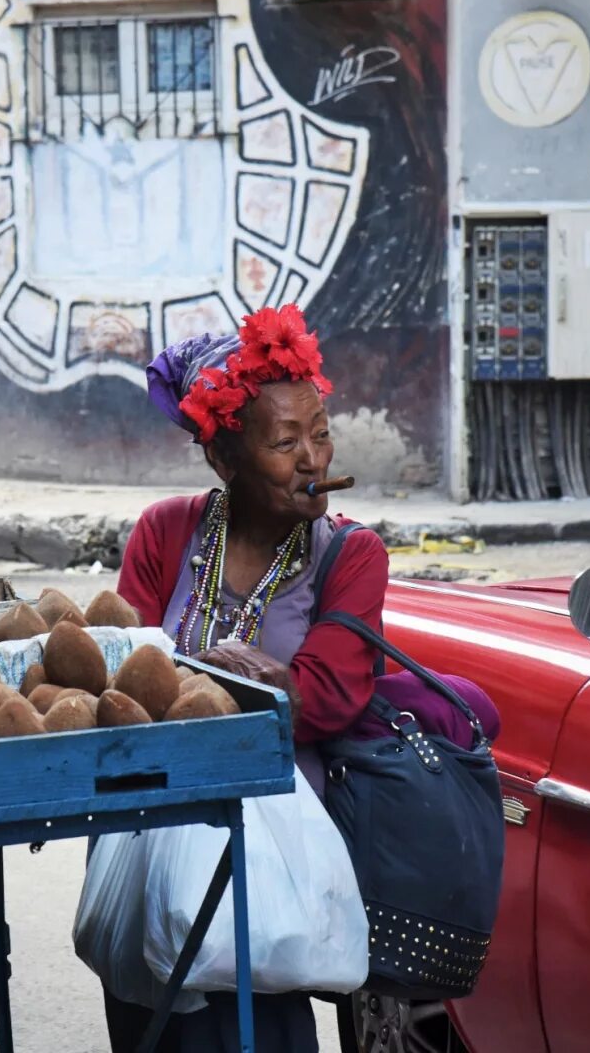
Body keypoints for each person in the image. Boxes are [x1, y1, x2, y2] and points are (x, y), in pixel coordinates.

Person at [103, 304, 388, 1052]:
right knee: (151, 1026)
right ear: (223, 460)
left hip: (273, 857)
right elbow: (120, 678)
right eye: (285, 441)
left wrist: (266, 684)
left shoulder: (351, 555)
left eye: (320, 433)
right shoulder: (165, 531)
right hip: (151, 831)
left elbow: (328, 698)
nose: (313, 460)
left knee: (257, 1028)